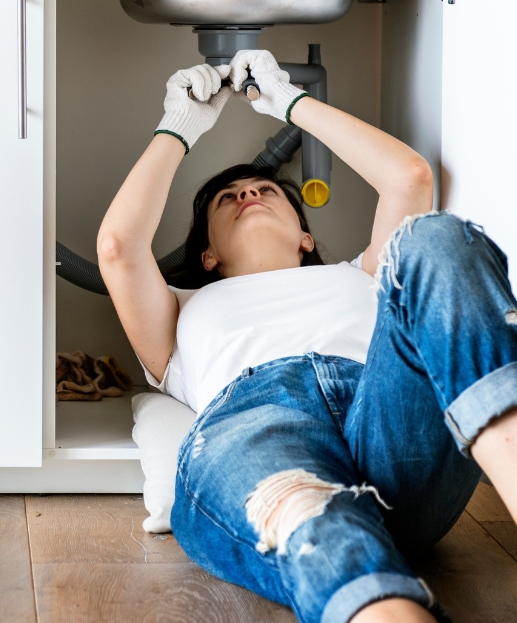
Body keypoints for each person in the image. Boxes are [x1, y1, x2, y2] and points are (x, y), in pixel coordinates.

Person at [96, 50, 517, 623]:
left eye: (267, 191)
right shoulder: (181, 311)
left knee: (437, 237)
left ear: (305, 238)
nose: (248, 194)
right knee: (310, 517)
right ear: (208, 254)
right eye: (228, 198)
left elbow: (410, 177)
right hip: (257, 425)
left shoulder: (363, 274)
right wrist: (180, 126)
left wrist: (292, 104)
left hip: (392, 424)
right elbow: (118, 248)